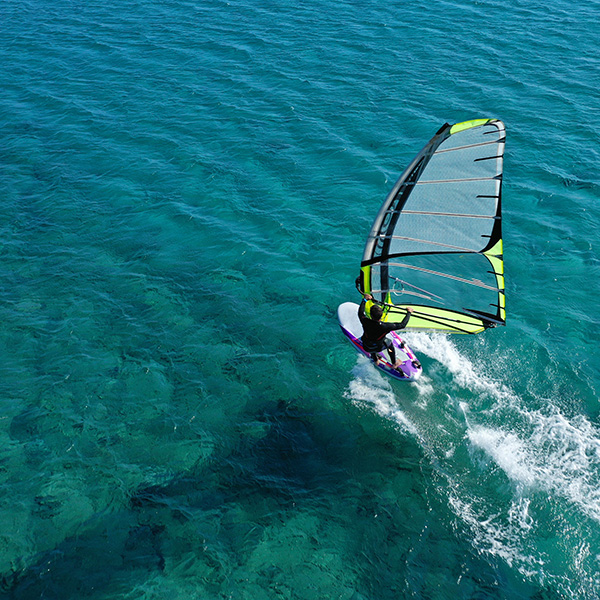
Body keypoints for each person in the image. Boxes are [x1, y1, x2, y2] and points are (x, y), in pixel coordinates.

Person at [356, 281, 413, 369]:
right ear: (381, 315)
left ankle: (375, 360)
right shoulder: (385, 326)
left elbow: (360, 312)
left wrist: (365, 300)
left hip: (366, 346)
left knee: (371, 340)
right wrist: (408, 312)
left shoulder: (365, 321)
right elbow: (402, 325)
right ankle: (394, 363)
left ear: (370, 315)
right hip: (378, 347)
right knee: (389, 344)